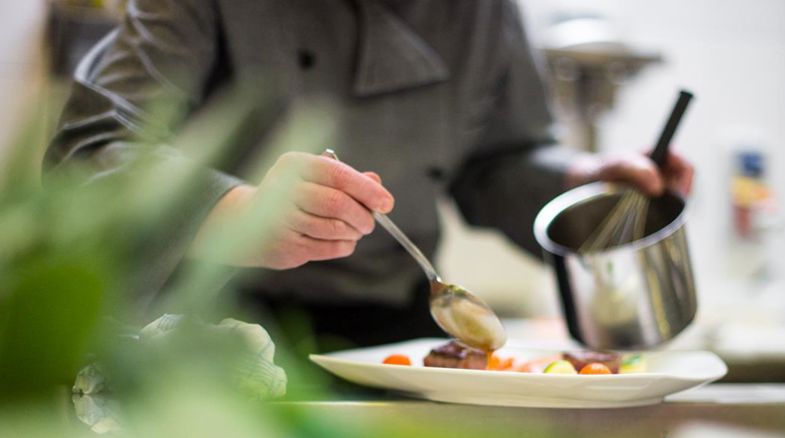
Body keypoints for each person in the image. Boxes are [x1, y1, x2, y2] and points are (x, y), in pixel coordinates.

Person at [47, 0, 693, 349]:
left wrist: (585, 186)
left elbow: (497, 160)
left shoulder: (482, 12)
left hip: (401, 339)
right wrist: (239, 214)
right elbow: (91, 150)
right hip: (215, 336)